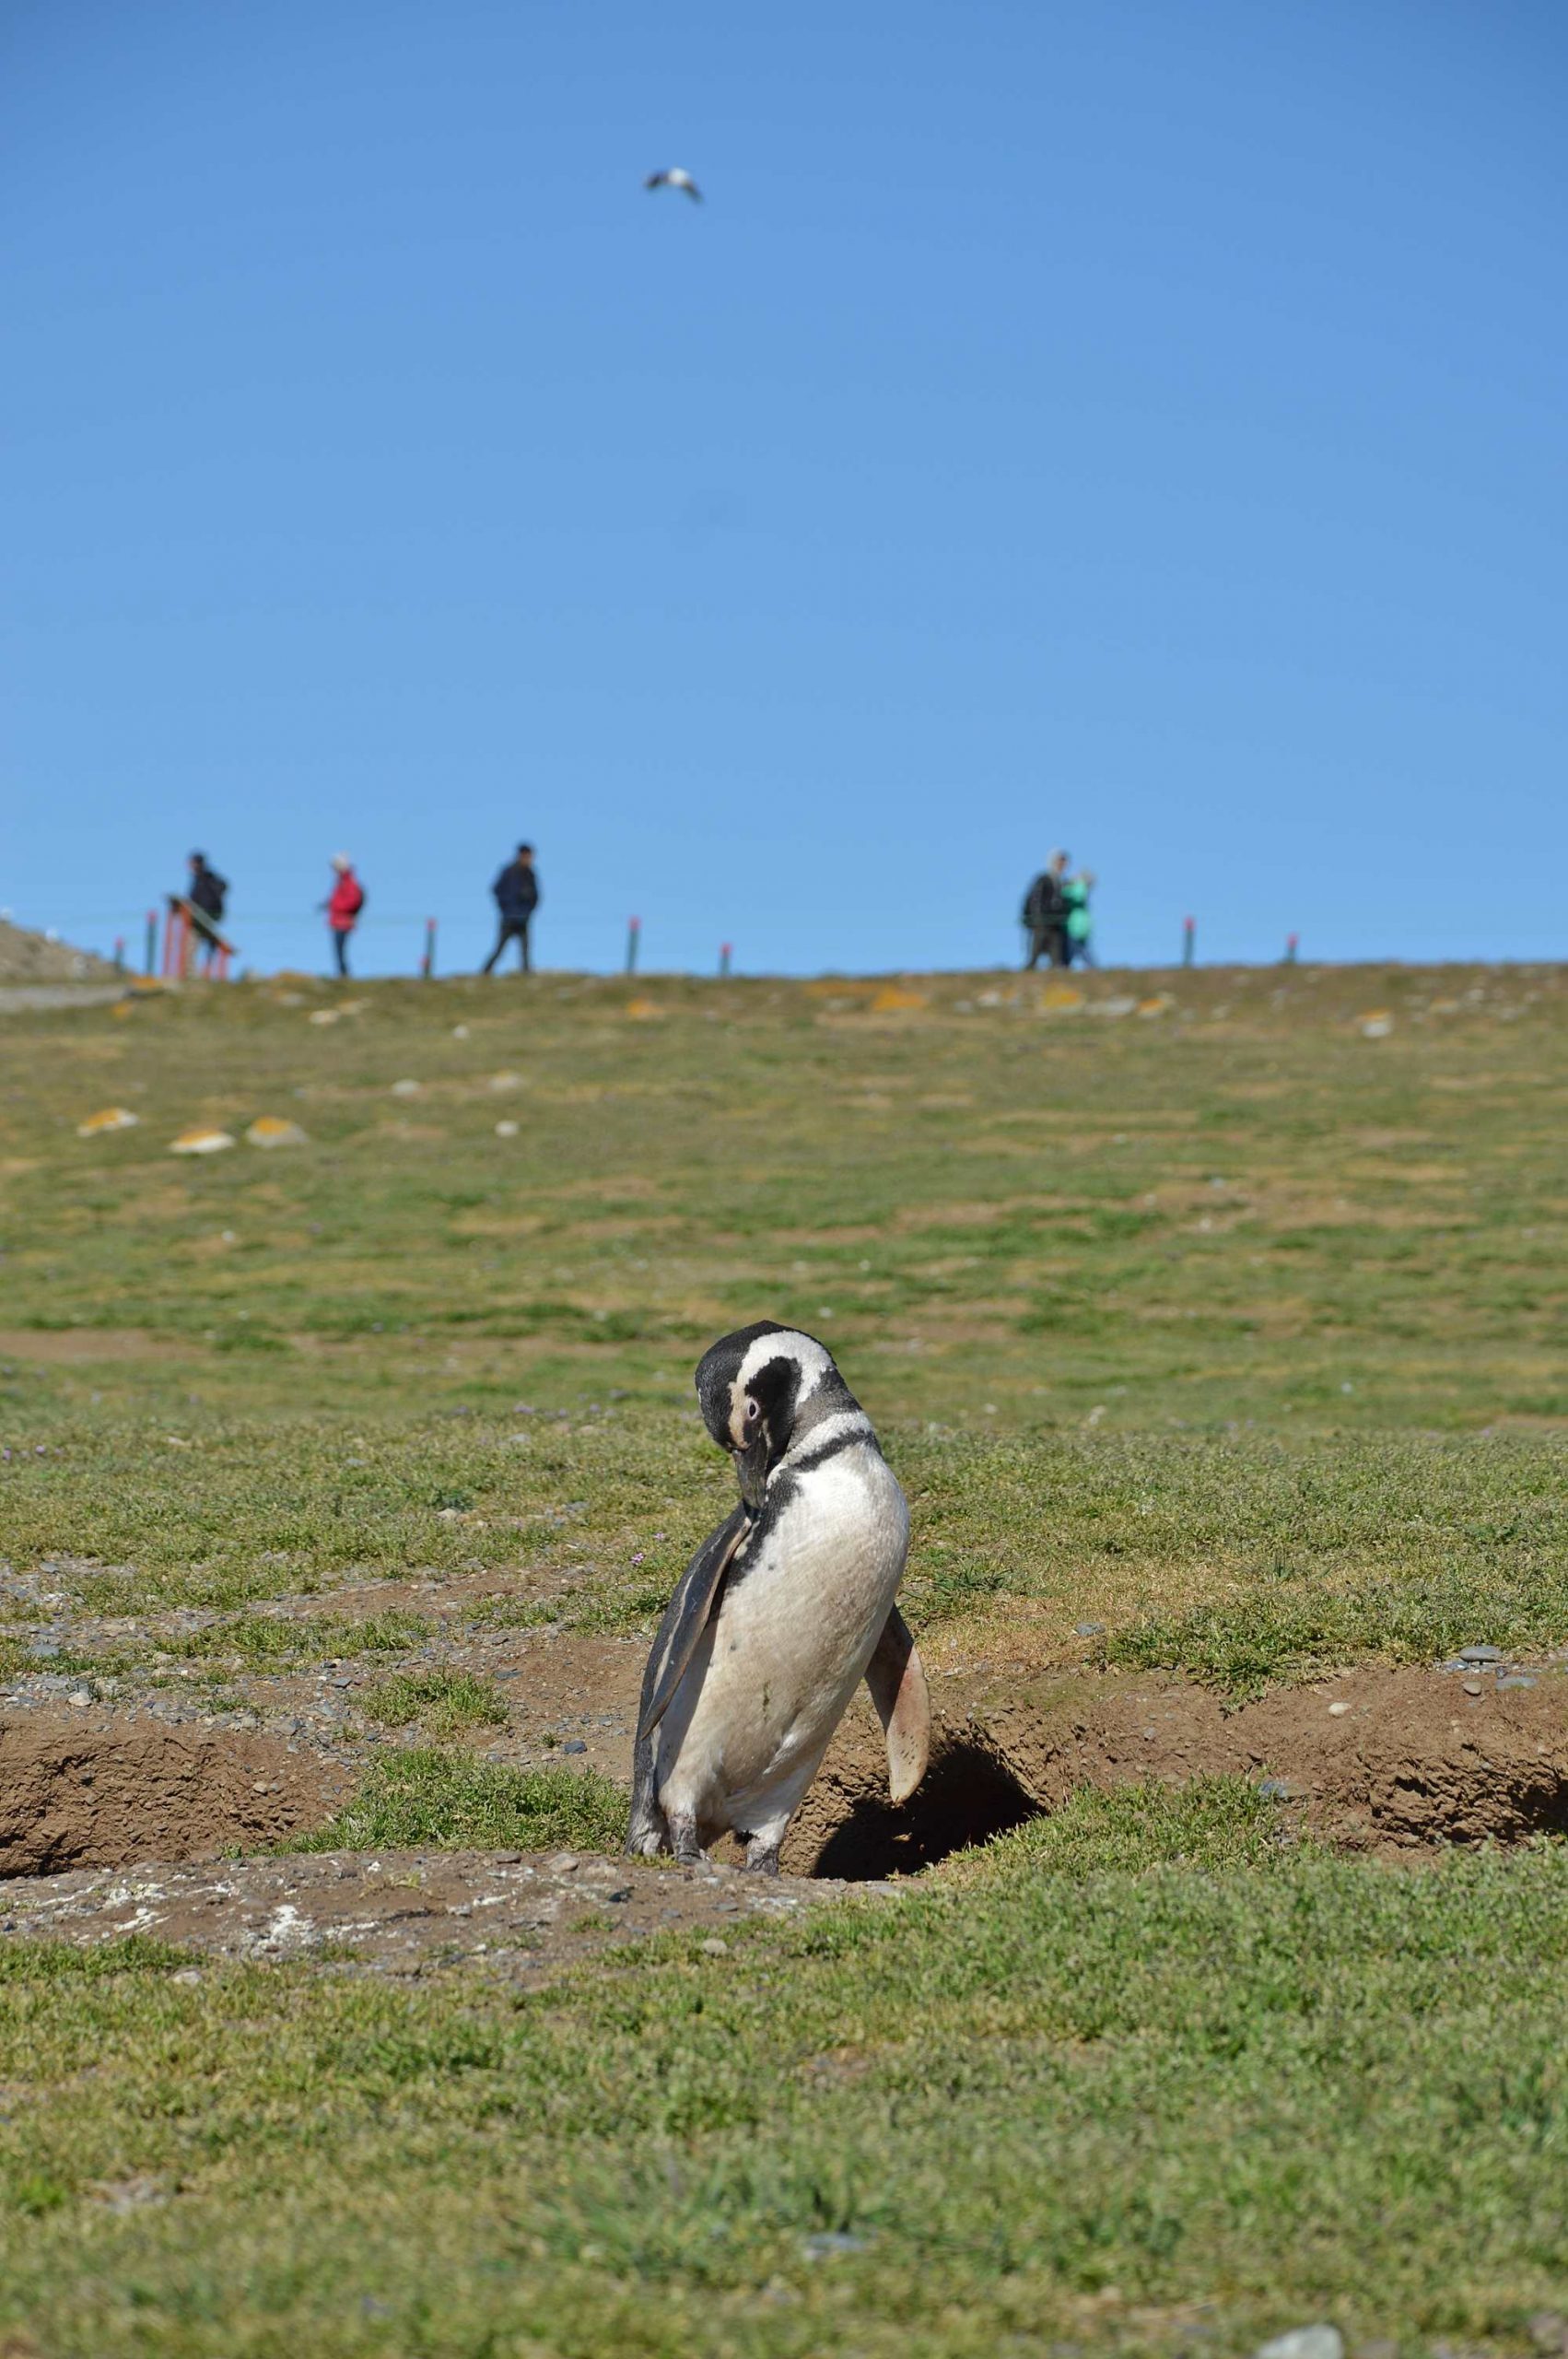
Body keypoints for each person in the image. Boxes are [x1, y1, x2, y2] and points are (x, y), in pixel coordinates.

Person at [481, 843, 541, 975]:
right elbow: (496, 890)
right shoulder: (509, 872)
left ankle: (526, 973)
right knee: (500, 948)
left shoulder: (530, 874)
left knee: (525, 948)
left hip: (523, 918)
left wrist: (528, 909)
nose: (529, 859)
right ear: (521, 855)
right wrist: (506, 906)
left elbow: (536, 896)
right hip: (508, 917)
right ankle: (485, 972)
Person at [1022, 851, 1070, 968]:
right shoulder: (1044, 879)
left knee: (1056, 950)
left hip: (1056, 922)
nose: (1062, 865)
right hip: (1042, 920)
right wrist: (1034, 917)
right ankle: (1031, 968)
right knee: (1037, 947)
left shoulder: (1063, 882)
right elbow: (1034, 898)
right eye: (1060, 861)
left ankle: (1055, 969)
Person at [322, 854, 365, 979]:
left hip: (344, 922)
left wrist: (336, 907)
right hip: (337, 921)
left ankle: (344, 974)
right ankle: (342, 974)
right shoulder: (341, 882)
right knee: (338, 950)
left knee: (340, 950)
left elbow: (352, 901)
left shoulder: (349, 883)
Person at [186, 851, 228, 975]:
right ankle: (197, 972)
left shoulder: (206, 879)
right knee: (201, 945)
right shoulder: (202, 879)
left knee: (194, 945)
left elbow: (222, 887)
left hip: (204, 917)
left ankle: (195, 973)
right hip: (202, 918)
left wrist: (206, 909)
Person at [1063, 868, 1095, 968]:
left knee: (1073, 950)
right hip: (1082, 927)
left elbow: (1066, 893)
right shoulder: (1082, 889)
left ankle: (1066, 967)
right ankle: (1092, 966)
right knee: (1082, 951)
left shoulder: (1079, 888)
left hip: (1075, 927)